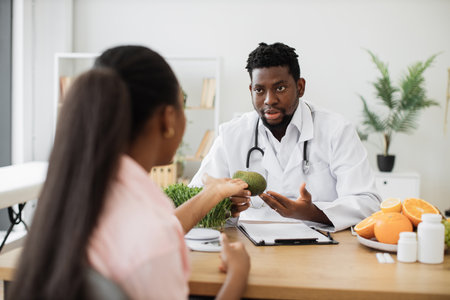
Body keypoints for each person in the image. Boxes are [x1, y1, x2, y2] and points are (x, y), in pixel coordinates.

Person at [9, 46, 250, 300]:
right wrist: (238, 275)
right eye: (182, 109)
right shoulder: (152, 239)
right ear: (167, 119)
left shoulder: (82, 192)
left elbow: (156, 230)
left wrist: (213, 193)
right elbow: (153, 238)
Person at [190, 42, 381, 231]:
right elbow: (194, 197)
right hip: (250, 246)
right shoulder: (231, 135)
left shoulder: (336, 130)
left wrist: (311, 213)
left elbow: (367, 202)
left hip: (320, 247)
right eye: (259, 90)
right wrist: (223, 206)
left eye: (280, 88)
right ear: (251, 90)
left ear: (300, 87)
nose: (269, 100)